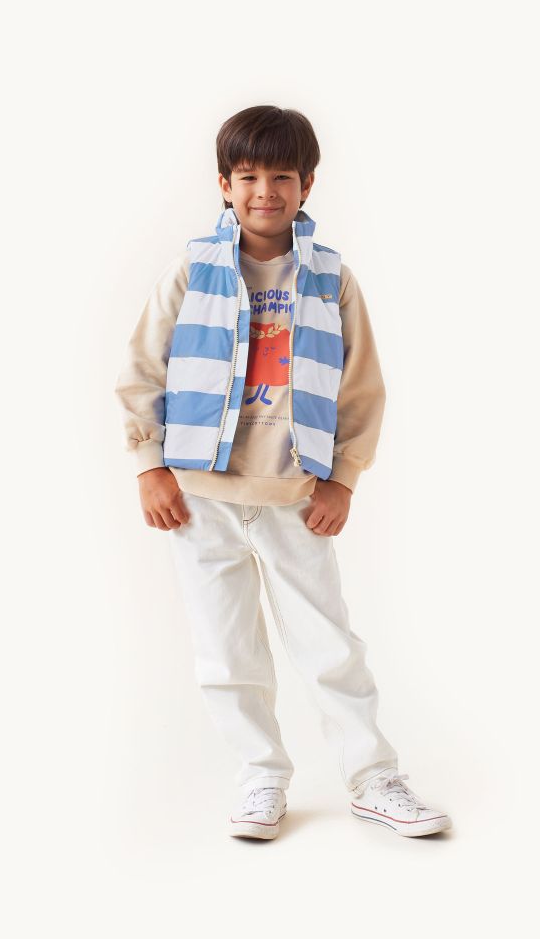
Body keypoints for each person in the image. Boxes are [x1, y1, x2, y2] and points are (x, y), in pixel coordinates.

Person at [114, 105, 452, 841]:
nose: (264, 191)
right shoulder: (191, 271)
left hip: (296, 497)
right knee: (226, 650)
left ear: (307, 185)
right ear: (224, 185)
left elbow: (362, 387)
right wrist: (149, 465)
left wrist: (344, 478)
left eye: (281, 177)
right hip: (199, 499)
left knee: (330, 644)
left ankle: (373, 777)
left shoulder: (330, 279)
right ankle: (261, 775)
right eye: (248, 176)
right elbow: (142, 368)